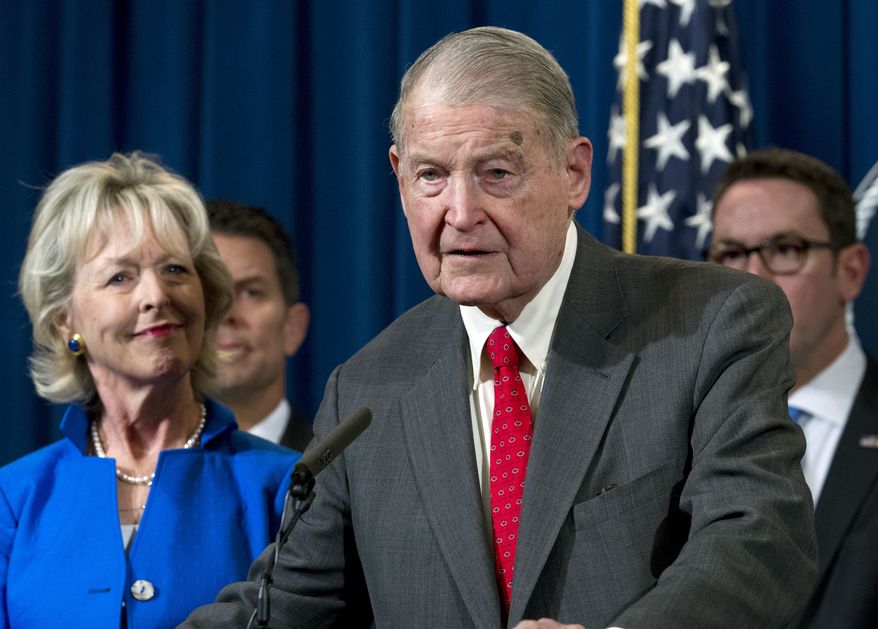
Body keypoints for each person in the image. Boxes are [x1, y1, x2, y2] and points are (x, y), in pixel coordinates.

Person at [184, 27, 816, 628]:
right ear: (398, 174)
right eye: (431, 175)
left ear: (573, 174)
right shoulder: (370, 386)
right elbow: (286, 605)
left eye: (497, 174)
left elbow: (758, 539)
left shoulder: (709, 324)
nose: (460, 214)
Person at [0, 153, 299, 628]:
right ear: (65, 320)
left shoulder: (284, 487)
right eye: (120, 277)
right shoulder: (15, 499)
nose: (156, 296)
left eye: (176, 270)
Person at [708, 148, 877, 629]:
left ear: (851, 271)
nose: (753, 280)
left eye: (785, 250)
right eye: (733, 254)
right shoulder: (669, 433)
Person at [206, 200, 313, 451]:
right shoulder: (138, 473)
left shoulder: (343, 473)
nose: (226, 314)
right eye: (209, 291)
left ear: (293, 327)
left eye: (251, 293)